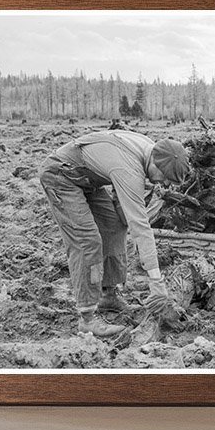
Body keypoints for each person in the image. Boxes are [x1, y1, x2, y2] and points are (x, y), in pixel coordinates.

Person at [38, 129, 191, 338]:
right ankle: (87, 319)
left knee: (115, 224)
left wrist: (122, 211)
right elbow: (141, 226)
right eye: (165, 178)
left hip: (88, 178)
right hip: (61, 175)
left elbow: (123, 201)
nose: (164, 185)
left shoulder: (148, 149)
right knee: (87, 242)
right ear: (155, 162)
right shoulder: (129, 169)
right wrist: (156, 280)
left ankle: (108, 294)